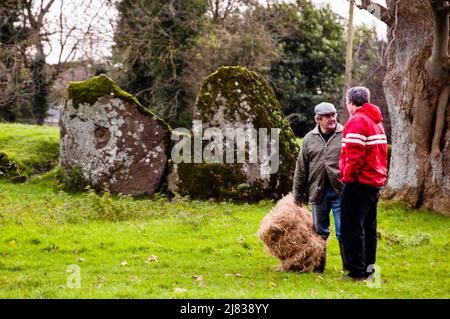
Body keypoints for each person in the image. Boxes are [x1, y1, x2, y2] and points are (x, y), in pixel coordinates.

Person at [339, 86, 388, 281]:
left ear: (351, 103)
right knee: (369, 229)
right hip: (375, 182)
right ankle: (369, 270)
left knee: (352, 228)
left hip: (359, 183)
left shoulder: (357, 121)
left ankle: (356, 272)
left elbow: (354, 155)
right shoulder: (376, 121)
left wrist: (347, 178)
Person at [293, 102, 345, 273]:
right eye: (327, 116)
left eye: (333, 114)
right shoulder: (309, 138)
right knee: (319, 232)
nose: (332, 118)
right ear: (318, 119)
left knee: (343, 231)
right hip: (318, 192)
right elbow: (301, 169)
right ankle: (318, 268)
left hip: (341, 191)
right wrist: (297, 197)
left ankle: (349, 268)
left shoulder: (345, 134)